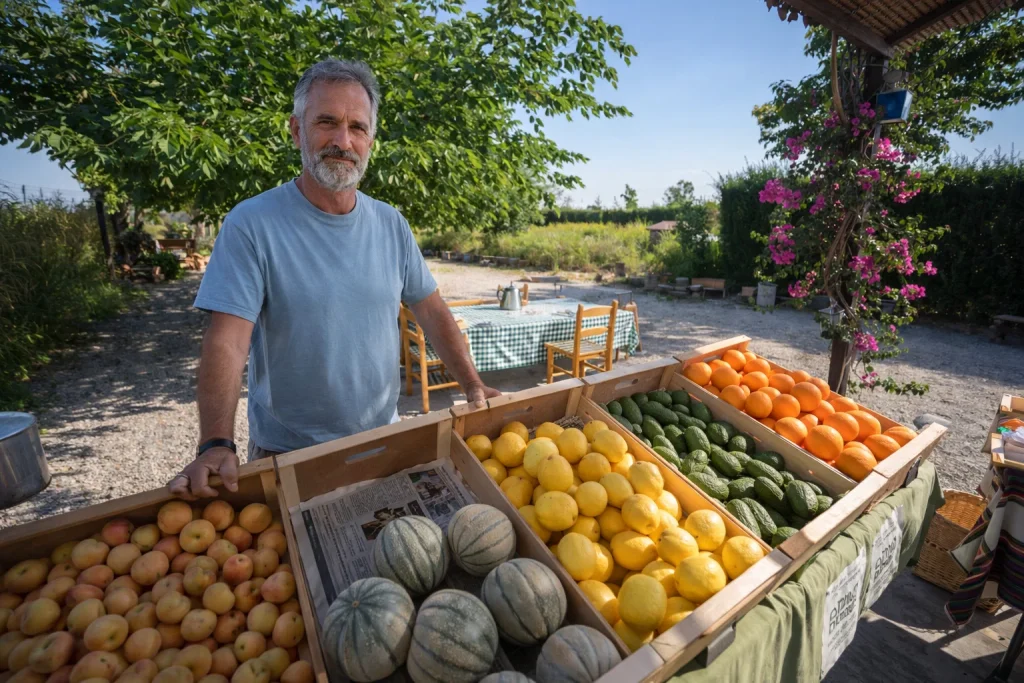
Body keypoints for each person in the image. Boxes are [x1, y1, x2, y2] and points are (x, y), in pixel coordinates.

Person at [168, 59, 498, 500]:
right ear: (296, 131)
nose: (343, 141)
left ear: (370, 141)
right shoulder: (252, 223)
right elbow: (228, 341)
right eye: (327, 122)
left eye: (357, 127)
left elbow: (433, 311)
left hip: (382, 442)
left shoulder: (391, 224)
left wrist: (473, 385)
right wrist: (215, 443)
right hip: (287, 453)